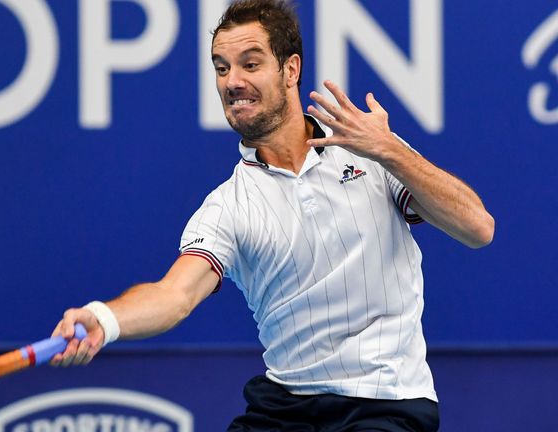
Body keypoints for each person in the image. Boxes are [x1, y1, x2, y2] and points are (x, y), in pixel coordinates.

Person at [49, 0, 494, 430]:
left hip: (386, 405)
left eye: (250, 63)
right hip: (285, 408)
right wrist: (104, 319)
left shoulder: (372, 154)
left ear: (291, 70)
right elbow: (174, 296)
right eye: (221, 68)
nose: (232, 81)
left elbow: (477, 228)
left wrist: (392, 150)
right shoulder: (228, 206)